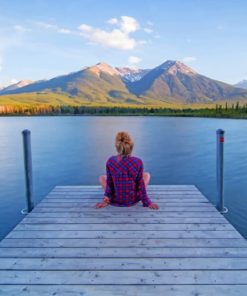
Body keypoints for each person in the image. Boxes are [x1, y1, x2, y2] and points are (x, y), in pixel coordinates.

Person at [96, 131, 159, 210]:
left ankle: (108, 198)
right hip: (132, 200)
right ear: (131, 146)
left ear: (117, 147)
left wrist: (106, 199)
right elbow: (140, 185)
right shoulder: (138, 162)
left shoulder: (111, 161)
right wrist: (147, 202)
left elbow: (110, 183)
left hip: (116, 199)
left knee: (102, 177)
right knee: (146, 175)